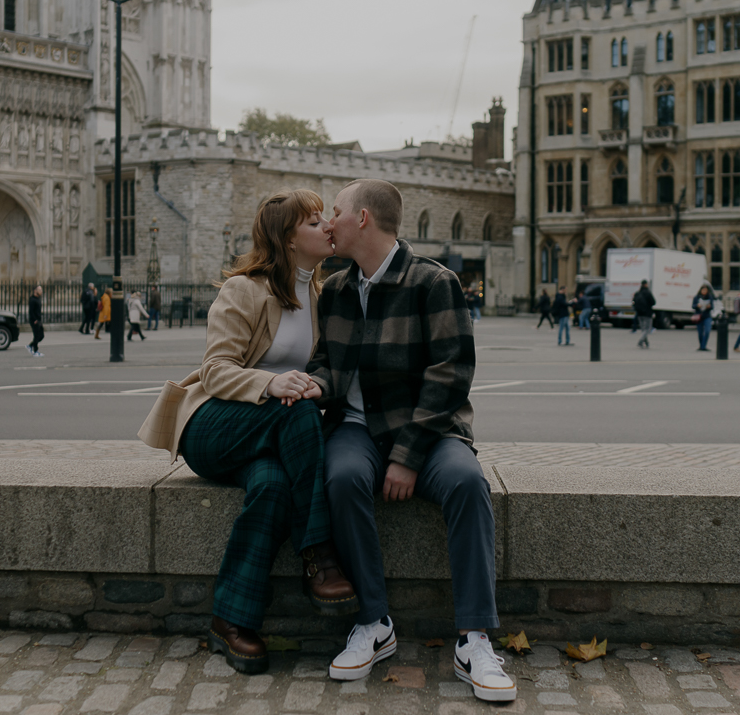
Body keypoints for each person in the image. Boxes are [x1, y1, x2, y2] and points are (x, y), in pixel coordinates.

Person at [310, 179, 516, 703]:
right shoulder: (333, 289)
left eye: (334, 211)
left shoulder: (433, 282)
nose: (327, 222)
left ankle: (474, 639)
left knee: (469, 484)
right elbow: (327, 366)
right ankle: (374, 621)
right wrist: (309, 385)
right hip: (356, 429)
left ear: (362, 219)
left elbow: (450, 374)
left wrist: (405, 457)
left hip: (426, 430)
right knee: (341, 478)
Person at [138, 189, 358, 675]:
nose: (326, 225)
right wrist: (272, 381)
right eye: (313, 220)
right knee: (295, 410)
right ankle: (319, 554)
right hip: (214, 426)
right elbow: (215, 370)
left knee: (273, 487)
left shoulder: (323, 296)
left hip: (272, 438)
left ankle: (230, 621)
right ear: (287, 239)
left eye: (326, 217)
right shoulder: (246, 289)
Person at [632, 279, 656, 349]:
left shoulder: (637, 293)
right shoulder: (648, 293)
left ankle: (646, 342)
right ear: (646, 284)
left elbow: (633, 302)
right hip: (647, 313)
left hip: (639, 314)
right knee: (647, 329)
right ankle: (640, 341)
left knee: (643, 329)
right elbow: (653, 302)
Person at [692, 283, 714, 352]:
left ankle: (704, 346)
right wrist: (697, 305)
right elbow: (693, 306)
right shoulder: (697, 297)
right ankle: (701, 346)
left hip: (707, 315)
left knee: (707, 331)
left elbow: (712, 306)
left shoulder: (709, 297)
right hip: (699, 316)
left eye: (705, 290)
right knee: (700, 332)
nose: (704, 292)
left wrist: (709, 306)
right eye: (703, 290)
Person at [27, 285, 44, 356]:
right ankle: (35, 351)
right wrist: (34, 320)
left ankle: (30, 345)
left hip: (38, 320)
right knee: (36, 335)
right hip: (34, 320)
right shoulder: (32, 300)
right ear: (35, 291)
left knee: (41, 335)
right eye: (39, 290)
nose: (41, 291)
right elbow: (31, 311)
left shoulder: (38, 299)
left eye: (41, 290)